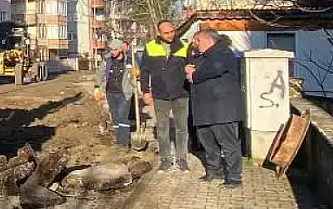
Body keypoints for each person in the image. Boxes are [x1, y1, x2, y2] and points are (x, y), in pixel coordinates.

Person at [184, 29, 244, 189]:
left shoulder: (223, 53)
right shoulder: (203, 56)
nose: (195, 45)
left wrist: (194, 75)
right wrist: (189, 71)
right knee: (208, 143)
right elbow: (193, 67)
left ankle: (234, 178)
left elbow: (214, 69)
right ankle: (214, 171)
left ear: (206, 39)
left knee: (228, 144)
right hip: (204, 109)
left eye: (197, 41)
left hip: (222, 108)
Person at [140, 20, 191, 172]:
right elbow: (144, 71)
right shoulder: (150, 47)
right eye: (166, 33)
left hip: (181, 93)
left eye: (172, 31)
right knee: (162, 129)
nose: (170, 35)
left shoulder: (184, 46)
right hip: (160, 94)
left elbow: (191, 68)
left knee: (182, 128)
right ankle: (165, 160)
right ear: (159, 33)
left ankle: (182, 159)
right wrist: (145, 91)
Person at [97, 39, 134, 139]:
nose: (112, 52)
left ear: (120, 50)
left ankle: (124, 142)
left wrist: (136, 73)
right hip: (110, 92)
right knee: (115, 116)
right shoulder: (107, 60)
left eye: (115, 50)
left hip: (124, 93)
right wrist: (97, 86)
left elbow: (136, 73)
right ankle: (118, 138)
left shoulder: (129, 60)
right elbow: (100, 73)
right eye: (111, 49)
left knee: (122, 116)